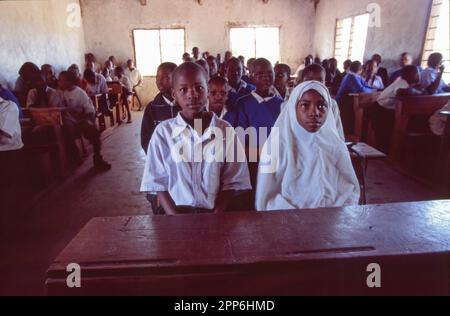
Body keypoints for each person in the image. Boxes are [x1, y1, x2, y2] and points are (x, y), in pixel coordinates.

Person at [140, 62, 251, 215]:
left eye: (199, 88)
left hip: (215, 213)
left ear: (207, 90)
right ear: (174, 94)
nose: (192, 94)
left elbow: (233, 178)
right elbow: (157, 181)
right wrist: (174, 217)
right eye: (183, 90)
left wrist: (217, 212)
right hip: (176, 213)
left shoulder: (225, 130)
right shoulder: (163, 133)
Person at [255, 81, 360, 211]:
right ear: (294, 108)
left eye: (321, 105)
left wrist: (340, 211)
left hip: (333, 218)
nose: (314, 112)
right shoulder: (275, 147)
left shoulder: (335, 144)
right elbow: (266, 199)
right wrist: (300, 220)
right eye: (305, 105)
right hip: (289, 221)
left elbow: (350, 187)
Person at [52, 71, 111, 171]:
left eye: (61, 80)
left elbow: (90, 110)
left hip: (81, 120)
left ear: (69, 81)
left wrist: (87, 120)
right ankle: (75, 157)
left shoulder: (79, 93)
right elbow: (53, 108)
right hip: (66, 121)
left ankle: (98, 158)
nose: (59, 82)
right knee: (66, 128)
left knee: (93, 132)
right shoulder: (58, 93)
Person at [372, 65, 424, 153]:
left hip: (385, 109)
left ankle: (384, 152)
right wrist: (415, 92)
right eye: (416, 73)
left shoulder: (403, 80)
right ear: (408, 75)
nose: (418, 74)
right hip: (381, 110)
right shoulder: (402, 83)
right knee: (383, 133)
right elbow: (399, 91)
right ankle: (382, 154)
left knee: (386, 132)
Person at [141, 62, 179, 154]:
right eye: (157, 77)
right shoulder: (152, 108)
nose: (159, 81)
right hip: (161, 162)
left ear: (176, 79)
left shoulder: (188, 105)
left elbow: (198, 135)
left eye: (164, 77)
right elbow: (146, 140)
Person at [300, 64, 345, 141]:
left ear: (325, 83)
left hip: (325, 146)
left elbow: (338, 132)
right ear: (301, 82)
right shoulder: (290, 104)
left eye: (320, 80)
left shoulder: (332, 104)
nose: (315, 84)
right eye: (310, 80)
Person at [335, 61, 377, 134]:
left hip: (349, 104)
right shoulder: (350, 77)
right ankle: (353, 134)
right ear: (360, 68)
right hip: (343, 105)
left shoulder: (356, 76)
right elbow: (361, 90)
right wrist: (374, 90)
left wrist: (374, 90)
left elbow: (366, 86)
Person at [0, 97, 24, 223]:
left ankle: (9, 222)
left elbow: (3, 133)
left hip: (8, 152)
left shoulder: (9, 107)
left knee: (7, 189)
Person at [223, 57, 255, 125]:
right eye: (232, 70)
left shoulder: (252, 90)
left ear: (243, 71)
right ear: (226, 71)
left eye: (238, 69)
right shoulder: (221, 91)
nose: (236, 73)